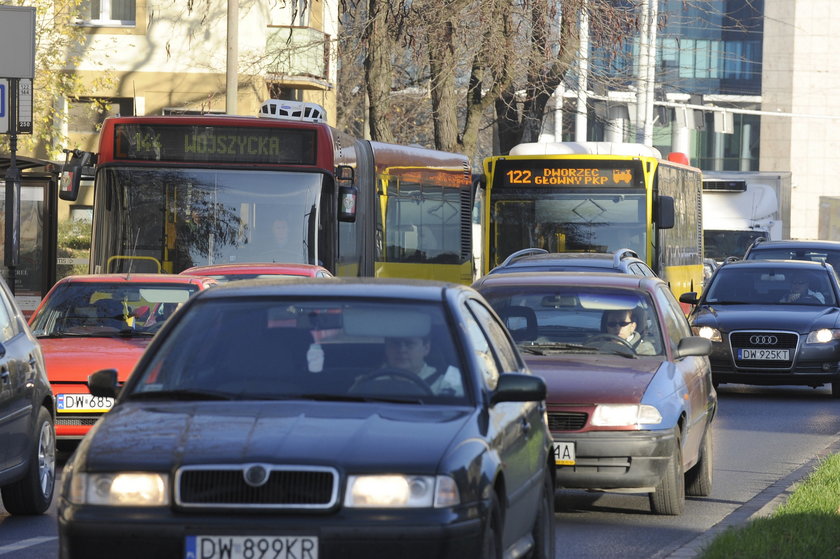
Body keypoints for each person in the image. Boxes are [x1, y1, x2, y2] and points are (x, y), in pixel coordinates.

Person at [381, 335, 463, 396]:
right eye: (395, 343)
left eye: (409, 344)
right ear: (386, 347)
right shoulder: (369, 380)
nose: (402, 350)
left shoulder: (450, 381)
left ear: (426, 348)